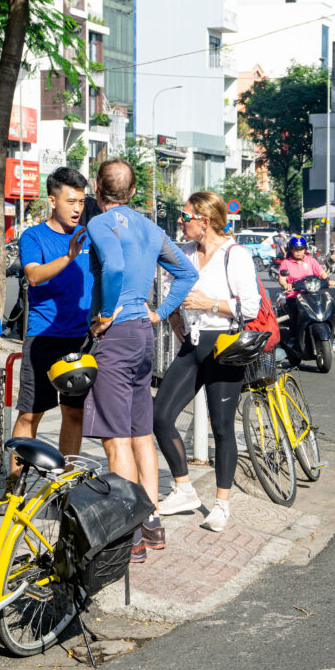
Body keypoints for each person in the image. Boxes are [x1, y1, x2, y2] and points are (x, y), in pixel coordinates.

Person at [84, 159, 197, 562]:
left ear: (97, 189)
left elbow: (113, 265)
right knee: (140, 432)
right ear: (132, 193)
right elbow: (186, 273)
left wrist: (107, 312)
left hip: (115, 336)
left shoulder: (101, 223)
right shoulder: (150, 228)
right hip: (143, 337)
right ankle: (151, 523)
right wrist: (160, 310)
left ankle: (128, 532)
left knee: (115, 439)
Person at [153, 191, 261, 534]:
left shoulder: (235, 254)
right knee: (160, 415)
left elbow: (251, 307)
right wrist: (173, 320)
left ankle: (221, 505)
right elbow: (169, 290)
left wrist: (211, 303)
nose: (181, 223)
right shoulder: (182, 253)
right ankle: (183, 488)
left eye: (186, 217)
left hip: (223, 345)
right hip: (192, 343)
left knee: (222, 427)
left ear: (206, 219)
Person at [0, 167, 93, 501]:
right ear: (52, 201)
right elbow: (35, 276)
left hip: (80, 339)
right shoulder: (34, 237)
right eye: (71, 201)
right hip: (43, 338)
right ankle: (14, 483)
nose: (77, 208)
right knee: (29, 414)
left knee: (74, 412)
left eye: (81, 201)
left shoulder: (89, 237)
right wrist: (68, 256)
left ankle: (65, 486)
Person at [278, 235, 335, 344]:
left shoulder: (311, 261)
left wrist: (328, 280)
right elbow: (282, 278)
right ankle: (294, 337)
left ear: (305, 249)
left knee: (328, 306)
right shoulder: (286, 263)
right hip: (294, 296)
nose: (299, 252)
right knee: (295, 313)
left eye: (301, 249)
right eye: (296, 249)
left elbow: (321, 272)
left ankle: (331, 336)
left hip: (311, 294)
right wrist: (285, 285)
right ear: (291, 249)